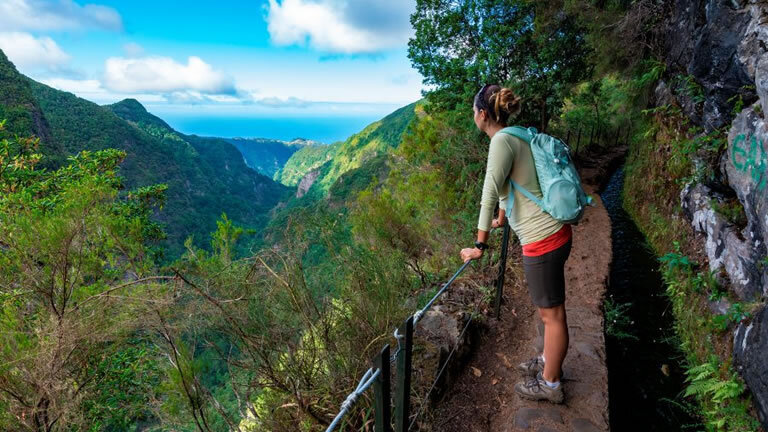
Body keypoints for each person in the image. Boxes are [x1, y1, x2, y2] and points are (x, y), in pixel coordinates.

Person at [459, 84, 573, 404]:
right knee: (550, 312)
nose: (473, 116)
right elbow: (514, 182)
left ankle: (551, 384)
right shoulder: (518, 134)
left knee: (554, 316)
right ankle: (548, 361)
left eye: (473, 111)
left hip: (542, 240)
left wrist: (479, 246)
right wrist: (502, 217)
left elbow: (488, 192)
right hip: (554, 233)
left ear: (482, 114)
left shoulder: (500, 142)